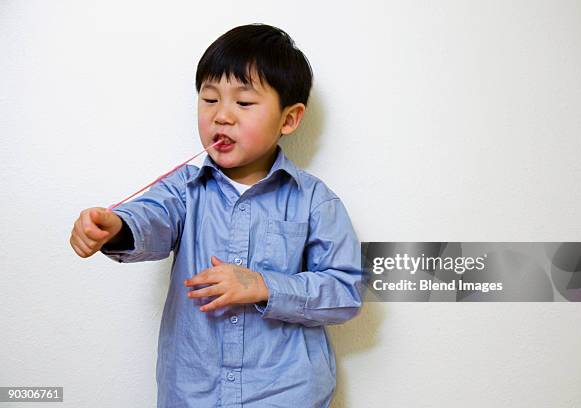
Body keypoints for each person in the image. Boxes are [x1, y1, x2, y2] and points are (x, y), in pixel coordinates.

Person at [69, 23, 364, 407]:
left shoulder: (316, 201)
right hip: (192, 393)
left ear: (289, 119)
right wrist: (115, 228)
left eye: (243, 103)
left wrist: (264, 285)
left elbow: (345, 292)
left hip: (285, 395)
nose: (222, 116)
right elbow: (151, 217)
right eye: (209, 100)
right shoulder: (183, 189)